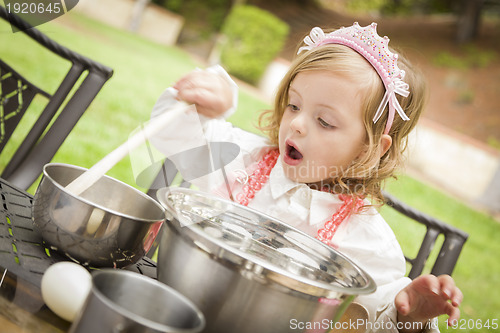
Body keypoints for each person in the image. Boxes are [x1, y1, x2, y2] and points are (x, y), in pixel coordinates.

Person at [150, 22, 462, 333]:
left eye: (325, 121)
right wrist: (202, 101)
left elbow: (370, 320)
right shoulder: (243, 159)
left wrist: (407, 315)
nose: (297, 123)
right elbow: (172, 132)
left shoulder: (367, 241)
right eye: (293, 105)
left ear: (367, 148)